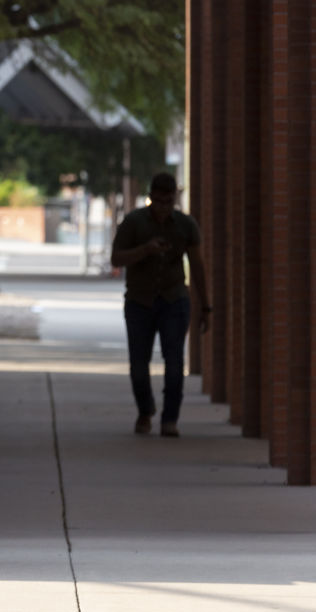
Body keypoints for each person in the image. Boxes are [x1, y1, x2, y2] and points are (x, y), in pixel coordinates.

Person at [110, 172, 211, 438]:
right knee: (138, 365)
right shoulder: (134, 222)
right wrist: (145, 250)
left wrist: (206, 306)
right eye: (158, 201)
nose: (163, 207)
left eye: (168, 201)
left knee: (175, 362)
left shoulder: (186, 225)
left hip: (174, 300)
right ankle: (145, 411)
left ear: (174, 199)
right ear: (151, 197)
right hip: (139, 301)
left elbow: (198, 265)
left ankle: (170, 419)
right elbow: (116, 258)